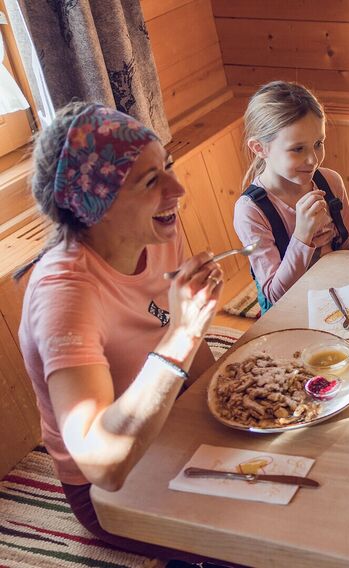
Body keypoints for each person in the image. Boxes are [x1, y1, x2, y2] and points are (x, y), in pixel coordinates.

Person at [15, 102, 227, 563]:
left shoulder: (158, 232)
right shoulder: (65, 293)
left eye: (167, 167)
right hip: (104, 492)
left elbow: (187, 347)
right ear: (96, 204)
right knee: (254, 530)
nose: (178, 188)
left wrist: (224, 402)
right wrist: (184, 335)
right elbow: (102, 463)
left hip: (171, 422)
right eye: (151, 181)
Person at [233, 81, 349, 313]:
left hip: (339, 292)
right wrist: (302, 234)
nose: (313, 160)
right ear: (259, 148)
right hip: (290, 309)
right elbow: (275, 295)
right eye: (297, 149)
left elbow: (345, 241)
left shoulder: (330, 181)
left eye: (318, 144)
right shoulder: (251, 211)